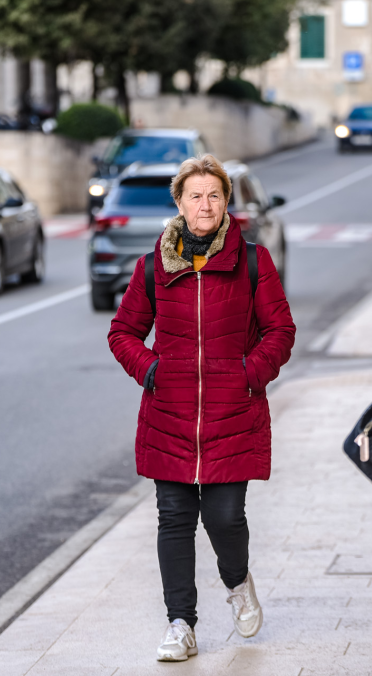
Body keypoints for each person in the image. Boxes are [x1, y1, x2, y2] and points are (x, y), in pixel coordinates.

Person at [107, 154, 295, 662]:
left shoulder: (252, 261)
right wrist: (150, 370)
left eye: (214, 195)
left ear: (226, 202)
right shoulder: (154, 267)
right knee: (174, 519)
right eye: (195, 195)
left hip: (232, 413)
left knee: (226, 517)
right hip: (168, 416)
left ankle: (237, 583)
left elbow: (281, 331)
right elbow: (122, 333)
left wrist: (248, 374)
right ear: (180, 203)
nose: (204, 204)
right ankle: (180, 624)